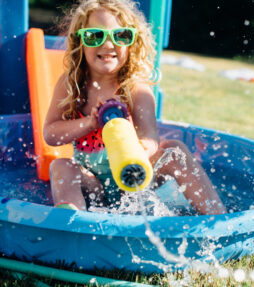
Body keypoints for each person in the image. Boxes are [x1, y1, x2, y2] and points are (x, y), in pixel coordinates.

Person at [44, 0, 226, 215]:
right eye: (95, 36)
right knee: (61, 166)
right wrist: (89, 123)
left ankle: (217, 217)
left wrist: (134, 155)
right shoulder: (71, 84)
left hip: (133, 179)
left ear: (133, 43)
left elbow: (150, 139)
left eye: (120, 36)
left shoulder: (136, 88)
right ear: (80, 42)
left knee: (175, 150)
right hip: (93, 183)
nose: (108, 45)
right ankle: (72, 221)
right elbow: (51, 134)